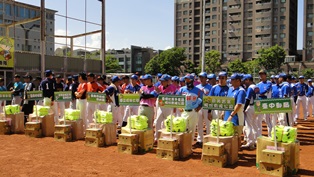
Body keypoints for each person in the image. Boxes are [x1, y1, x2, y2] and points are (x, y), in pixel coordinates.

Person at [177, 74, 203, 146]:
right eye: (186, 80)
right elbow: (176, 98)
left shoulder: (198, 91)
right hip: (184, 111)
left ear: (192, 80)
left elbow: (204, 100)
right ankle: (182, 145)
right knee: (183, 128)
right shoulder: (182, 89)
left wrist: (199, 107)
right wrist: (179, 106)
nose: (187, 81)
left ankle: (189, 146)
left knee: (192, 129)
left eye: (188, 80)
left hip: (193, 112)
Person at [223, 73, 246, 145]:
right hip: (227, 115)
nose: (231, 81)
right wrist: (223, 112)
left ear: (238, 80)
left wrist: (232, 115)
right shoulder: (230, 89)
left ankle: (236, 153)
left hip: (237, 117)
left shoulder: (241, 91)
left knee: (237, 136)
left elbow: (239, 104)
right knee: (228, 134)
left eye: (232, 80)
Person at [154, 74, 176, 141]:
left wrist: (175, 107)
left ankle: (169, 136)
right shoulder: (160, 87)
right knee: (158, 121)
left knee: (169, 123)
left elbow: (176, 97)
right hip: (161, 107)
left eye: (163, 81)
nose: (161, 82)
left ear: (168, 81)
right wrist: (157, 92)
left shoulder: (173, 87)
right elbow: (154, 95)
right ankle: (156, 138)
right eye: (161, 81)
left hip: (169, 107)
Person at [196, 72, 212, 146]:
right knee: (199, 124)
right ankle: (200, 140)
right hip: (199, 106)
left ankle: (209, 138)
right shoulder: (197, 87)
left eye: (202, 77)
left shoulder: (210, 87)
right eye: (200, 77)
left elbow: (211, 98)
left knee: (208, 123)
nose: (201, 79)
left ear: (206, 78)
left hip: (206, 106)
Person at [242, 74, 258, 149]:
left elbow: (248, 99)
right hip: (257, 106)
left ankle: (250, 142)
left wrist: (244, 109)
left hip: (251, 106)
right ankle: (256, 141)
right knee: (254, 124)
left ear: (248, 80)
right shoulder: (256, 86)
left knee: (248, 125)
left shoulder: (250, 87)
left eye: (245, 80)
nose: (244, 82)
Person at [256, 70, 272, 137]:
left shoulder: (269, 83)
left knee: (267, 120)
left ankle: (270, 136)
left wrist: (260, 93)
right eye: (260, 74)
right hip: (259, 102)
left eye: (262, 74)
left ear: (265, 75)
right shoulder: (258, 84)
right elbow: (257, 93)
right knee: (258, 120)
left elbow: (264, 92)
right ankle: (259, 136)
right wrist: (260, 93)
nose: (261, 76)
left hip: (266, 102)